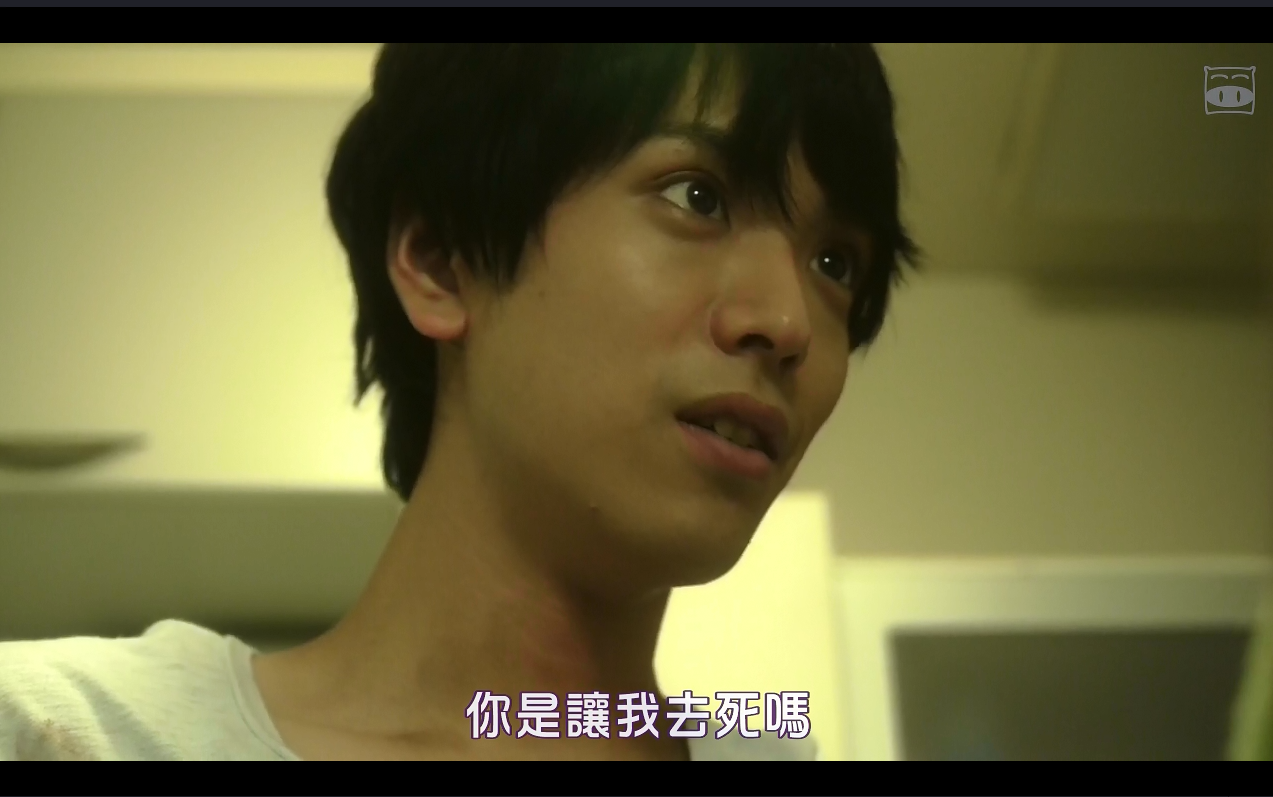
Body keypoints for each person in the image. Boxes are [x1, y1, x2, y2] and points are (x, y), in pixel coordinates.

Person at [0, 43, 918, 761]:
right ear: (440, 260)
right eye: (697, 196)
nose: (787, 321)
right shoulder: (66, 730)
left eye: (834, 263)